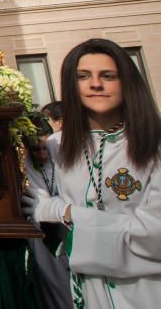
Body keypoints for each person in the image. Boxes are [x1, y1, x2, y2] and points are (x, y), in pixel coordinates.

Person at [24, 38, 161, 308]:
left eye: (107, 76)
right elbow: (37, 212)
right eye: (83, 76)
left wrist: (67, 213)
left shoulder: (153, 146)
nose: (95, 84)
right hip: (87, 294)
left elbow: (154, 236)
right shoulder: (55, 147)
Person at [23, 122, 72, 309]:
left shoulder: (59, 165)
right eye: (36, 149)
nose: (43, 154)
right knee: (52, 283)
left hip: (65, 228)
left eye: (45, 148)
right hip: (41, 235)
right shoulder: (25, 170)